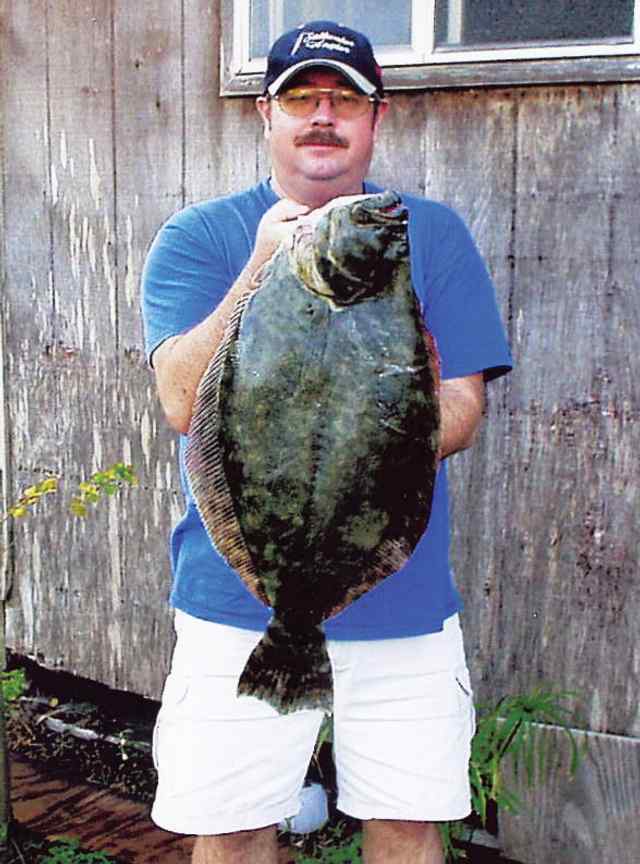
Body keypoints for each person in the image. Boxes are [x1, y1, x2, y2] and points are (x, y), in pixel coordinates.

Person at [141, 19, 512, 864]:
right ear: (265, 114)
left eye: (345, 100)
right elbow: (180, 403)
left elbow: (462, 408)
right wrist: (261, 266)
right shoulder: (200, 238)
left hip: (404, 601)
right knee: (232, 830)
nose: (322, 115)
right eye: (302, 97)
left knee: (410, 825)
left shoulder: (433, 235)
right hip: (237, 606)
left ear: (376, 117)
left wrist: (368, 429)